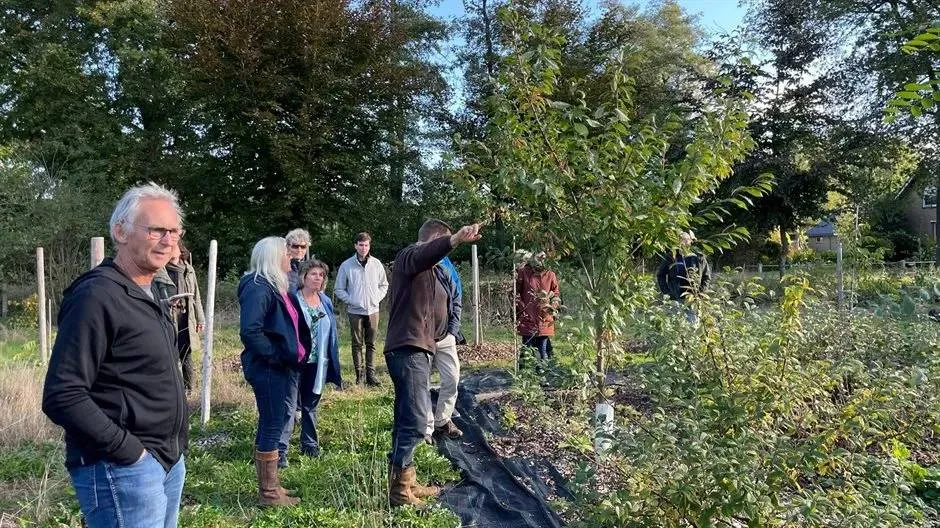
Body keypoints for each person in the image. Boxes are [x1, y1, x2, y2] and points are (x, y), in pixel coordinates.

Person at [42, 183, 188, 528]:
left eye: (173, 230)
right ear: (120, 232)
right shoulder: (97, 295)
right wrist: (130, 452)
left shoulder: (151, 291)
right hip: (122, 469)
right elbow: (62, 394)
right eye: (156, 230)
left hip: (166, 461)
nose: (168, 240)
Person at [384, 219, 481, 507]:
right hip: (408, 349)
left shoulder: (433, 271)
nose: (444, 253)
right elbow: (424, 254)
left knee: (406, 417)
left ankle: (407, 479)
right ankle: (400, 491)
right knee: (415, 419)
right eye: (443, 244)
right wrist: (455, 240)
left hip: (421, 348)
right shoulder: (408, 257)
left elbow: (446, 301)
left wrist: (448, 332)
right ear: (434, 240)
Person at [238, 237, 311, 507]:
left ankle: (272, 486)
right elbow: (250, 331)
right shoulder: (258, 287)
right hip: (268, 367)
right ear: (272, 256)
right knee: (273, 421)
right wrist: (275, 356)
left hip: (278, 365)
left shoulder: (273, 285)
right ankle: (268, 493)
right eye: (284, 252)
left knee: (273, 419)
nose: (289, 257)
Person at [279, 260, 342, 461]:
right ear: (304, 276)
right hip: (296, 361)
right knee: (289, 407)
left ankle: (310, 445)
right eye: (313, 274)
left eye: (321, 275)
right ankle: (281, 451)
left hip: (318, 361)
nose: (317, 278)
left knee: (310, 405)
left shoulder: (325, 301)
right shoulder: (292, 299)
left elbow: (331, 332)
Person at [334, 232, 389, 386]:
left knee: (371, 343)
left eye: (366, 245)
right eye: (361, 245)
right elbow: (339, 289)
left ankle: (371, 376)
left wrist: (376, 298)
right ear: (355, 246)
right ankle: (360, 376)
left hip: (373, 310)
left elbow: (384, 285)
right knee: (357, 344)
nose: (363, 248)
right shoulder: (347, 265)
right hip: (355, 311)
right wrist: (352, 300)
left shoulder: (377, 264)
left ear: (369, 246)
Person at [425, 256, 465, 441]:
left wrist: (452, 331)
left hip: (445, 337)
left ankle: (442, 419)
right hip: (421, 340)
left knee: (452, 378)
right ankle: (425, 429)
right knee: (421, 384)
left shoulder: (444, 270)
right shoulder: (413, 272)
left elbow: (456, 298)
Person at [166, 242, 206, 392]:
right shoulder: (161, 270)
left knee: (186, 354)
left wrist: (200, 319)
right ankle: (173, 389)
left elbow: (196, 297)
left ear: (180, 250)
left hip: (186, 317)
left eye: (172, 247)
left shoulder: (188, 269)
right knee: (171, 354)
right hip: (170, 317)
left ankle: (189, 389)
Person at [655, 231, 711, 323]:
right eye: (682, 240)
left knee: (693, 325)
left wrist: (701, 293)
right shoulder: (671, 256)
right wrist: (667, 292)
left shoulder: (698, 257)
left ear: (691, 241)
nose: (684, 242)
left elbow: (706, 276)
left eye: (687, 240)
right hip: (675, 297)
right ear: (677, 241)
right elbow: (661, 275)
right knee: (674, 324)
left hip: (693, 297)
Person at [515, 251, 561, 362]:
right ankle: (524, 376)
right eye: (539, 257)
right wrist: (523, 308)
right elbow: (516, 293)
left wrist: (552, 306)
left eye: (543, 258)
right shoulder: (524, 273)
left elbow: (555, 293)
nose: (541, 260)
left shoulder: (550, 275)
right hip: (528, 318)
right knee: (526, 351)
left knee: (543, 351)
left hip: (544, 318)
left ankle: (544, 375)